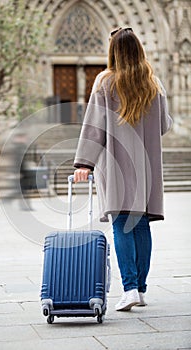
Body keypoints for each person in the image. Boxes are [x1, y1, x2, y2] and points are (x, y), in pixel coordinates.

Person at [73, 27, 173, 311]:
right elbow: (164, 126)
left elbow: (94, 125)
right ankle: (140, 289)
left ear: (113, 52)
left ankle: (129, 288)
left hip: (116, 166)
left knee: (121, 225)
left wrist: (84, 163)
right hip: (145, 167)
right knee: (140, 225)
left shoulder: (105, 81)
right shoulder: (154, 83)